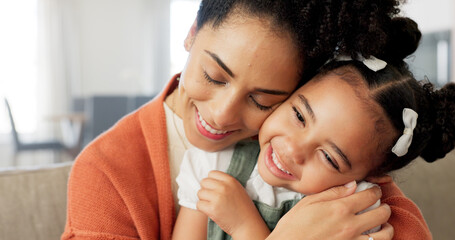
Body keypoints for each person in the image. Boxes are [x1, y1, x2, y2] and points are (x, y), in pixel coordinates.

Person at [61, 1, 431, 239]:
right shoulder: (105, 170)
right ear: (191, 33)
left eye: (262, 100)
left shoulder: (309, 149)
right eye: (213, 75)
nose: (221, 115)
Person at [173, 16, 454, 240]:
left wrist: (247, 229)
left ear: (372, 178)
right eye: (298, 115)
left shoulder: (355, 213)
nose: (293, 149)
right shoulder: (212, 165)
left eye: (330, 157)